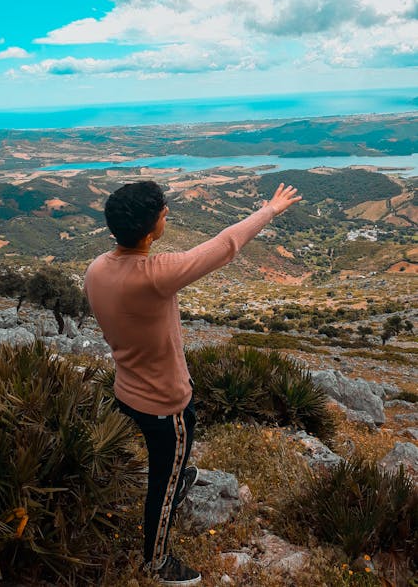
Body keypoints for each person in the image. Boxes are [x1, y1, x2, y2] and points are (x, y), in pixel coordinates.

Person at [84, 180, 301, 585]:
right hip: (164, 402)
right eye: (164, 214)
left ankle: (177, 474)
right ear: (150, 231)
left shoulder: (96, 269)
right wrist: (270, 210)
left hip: (126, 389)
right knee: (161, 487)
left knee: (181, 443)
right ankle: (157, 561)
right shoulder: (155, 275)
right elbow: (224, 245)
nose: (168, 216)